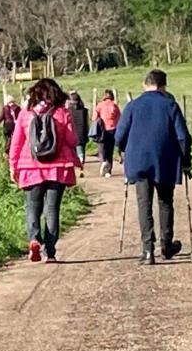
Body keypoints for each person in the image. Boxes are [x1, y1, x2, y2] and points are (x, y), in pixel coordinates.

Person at [115, 70, 192, 266]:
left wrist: (125, 150)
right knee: (165, 202)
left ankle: (147, 250)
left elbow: (119, 136)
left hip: (138, 160)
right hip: (165, 160)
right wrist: (186, 160)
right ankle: (166, 246)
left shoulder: (133, 105)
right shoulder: (170, 105)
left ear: (144, 84)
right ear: (164, 86)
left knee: (144, 204)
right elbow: (183, 137)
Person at [9, 78, 80, 263]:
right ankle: (50, 251)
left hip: (30, 166)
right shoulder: (62, 113)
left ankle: (34, 239)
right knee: (52, 208)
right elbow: (73, 140)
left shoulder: (25, 114)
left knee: (33, 207)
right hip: (58, 167)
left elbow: (16, 141)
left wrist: (13, 165)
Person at [92, 89, 121, 178]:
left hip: (101, 131)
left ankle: (103, 162)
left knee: (101, 149)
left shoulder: (100, 105)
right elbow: (119, 118)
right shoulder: (114, 105)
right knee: (110, 151)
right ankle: (108, 170)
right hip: (112, 130)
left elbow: (94, 117)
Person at [67, 91, 89, 178]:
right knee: (81, 153)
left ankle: (73, 171)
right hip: (82, 134)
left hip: (72, 134)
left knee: (73, 153)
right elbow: (86, 124)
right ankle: (81, 169)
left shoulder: (68, 111)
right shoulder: (84, 110)